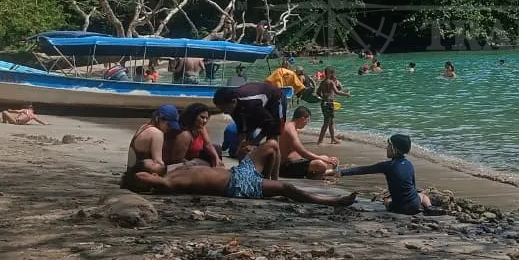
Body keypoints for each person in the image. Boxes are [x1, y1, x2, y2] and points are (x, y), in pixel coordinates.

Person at [125, 138, 357, 206]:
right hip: (238, 186)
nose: (156, 162)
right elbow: (139, 176)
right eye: (152, 164)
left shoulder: (172, 173)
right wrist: (139, 177)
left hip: (238, 173)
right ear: (150, 177)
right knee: (286, 189)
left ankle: (268, 182)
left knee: (271, 145)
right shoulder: (167, 183)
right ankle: (328, 202)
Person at [337, 134, 430, 215]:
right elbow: (413, 186)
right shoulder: (409, 164)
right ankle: (429, 207)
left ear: (394, 149)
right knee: (423, 196)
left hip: (398, 208)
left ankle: (392, 204)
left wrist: (342, 172)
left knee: (386, 201)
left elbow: (364, 169)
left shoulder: (387, 165)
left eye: (389, 145)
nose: (387, 147)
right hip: (414, 205)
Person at [213, 83, 285, 177]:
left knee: (273, 140)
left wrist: (255, 142)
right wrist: (240, 146)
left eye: (225, 109)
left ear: (233, 102)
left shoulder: (251, 103)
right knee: (243, 144)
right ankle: (242, 172)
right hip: (255, 105)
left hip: (275, 98)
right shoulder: (232, 106)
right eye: (221, 109)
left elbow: (269, 123)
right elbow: (241, 130)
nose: (225, 112)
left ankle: (273, 178)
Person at [280, 107, 340, 179]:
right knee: (320, 164)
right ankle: (322, 174)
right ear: (302, 119)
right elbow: (302, 152)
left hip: (294, 163)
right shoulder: (290, 130)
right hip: (285, 167)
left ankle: (324, 173)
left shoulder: (292, 128)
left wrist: (324, 159)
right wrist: (323, 160)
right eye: (307, 120)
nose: (307, 124)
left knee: (325, 157)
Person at [126, 105, 181, 178]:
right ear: (158, 118)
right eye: (168, 125)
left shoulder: (143, 127)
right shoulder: (157, 133)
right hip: (142, 179)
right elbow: (159, 163)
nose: (170, 128)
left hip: (130, 175)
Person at [169, 103, 222, 168]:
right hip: (184, 164)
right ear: (193, 117)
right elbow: (177, 160)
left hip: (196, 159)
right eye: (202, 117)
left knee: (216, 149)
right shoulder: (185, 135)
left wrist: (216, 159)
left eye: (206, 118)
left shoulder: (201, 128)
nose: (205, 121)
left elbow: (208, 144)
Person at [314, 66, 350, 145]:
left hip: (324, 103)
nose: (335, 74)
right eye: (334, 73)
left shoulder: (323, 82)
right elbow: (337, 92)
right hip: (329, 103)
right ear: (331, 74)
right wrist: (346, 94)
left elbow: (317, 92)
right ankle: (320, 141)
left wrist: (324, 97)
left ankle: (333, 139)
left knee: (331, 122)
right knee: (327, 123)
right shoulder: (330, 82)